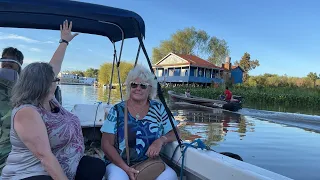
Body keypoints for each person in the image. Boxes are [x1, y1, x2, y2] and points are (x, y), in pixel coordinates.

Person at [1, 20, 106, 180]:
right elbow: (45, 157)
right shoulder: (26, 112)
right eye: (54, 79)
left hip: (64, 165)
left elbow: (55, 65)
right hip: (33, 173)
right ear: (42, 84)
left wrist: (64, 41)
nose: (57, 81)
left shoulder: (49, 99)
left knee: (96, 167)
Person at [101, 65, 179, 180]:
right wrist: (126, 168)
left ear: (150, 89)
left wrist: (160, 140)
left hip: (150, 163)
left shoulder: (159, 108)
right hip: (119, 163)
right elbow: (106, 144)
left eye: (143, 86)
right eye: (134, 84)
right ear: (129, 87)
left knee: (170, 176)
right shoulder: (117, 110)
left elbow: (176, 132)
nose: (138, 88)